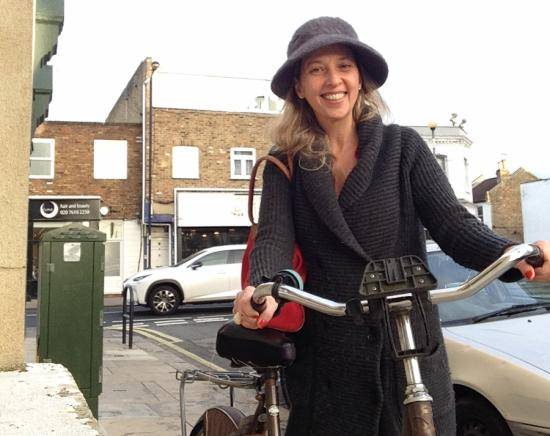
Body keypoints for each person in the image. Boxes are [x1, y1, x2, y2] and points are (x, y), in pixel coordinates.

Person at [232, 16, 550, 436]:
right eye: (317, 69)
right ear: (300, 86)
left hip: (411, 344)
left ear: (360, 78)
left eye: (344, 66)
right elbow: (273, 236)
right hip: (330, 354)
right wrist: (264, 287)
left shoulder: (404, 147)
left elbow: (453, 225)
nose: (333, 80)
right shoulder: (283, 162)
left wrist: (518, 257)